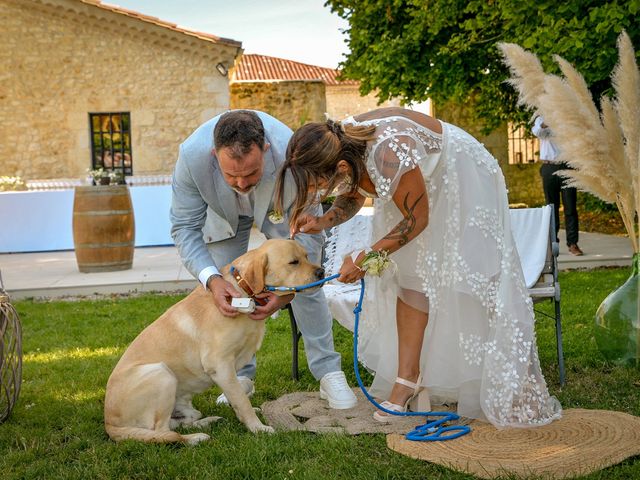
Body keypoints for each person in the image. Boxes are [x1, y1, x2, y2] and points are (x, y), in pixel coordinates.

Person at [274, 107, 562, 427]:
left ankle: (515, 380)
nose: (316, 190)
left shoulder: (387, 152)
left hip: (462, 175)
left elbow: (416, 219)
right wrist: (323, 220)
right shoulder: (342, 144)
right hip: (415, 187)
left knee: (475, 277)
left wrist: (367, 257)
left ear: (339, 165)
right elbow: (356, 190)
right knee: (408, 275)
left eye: (317, 183)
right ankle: (408, 383)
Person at [170, 110, 357, 410]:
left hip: (282, 211)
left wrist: (284, 295)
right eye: (232, 174)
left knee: (304, 278)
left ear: (267, 150)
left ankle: (328, 371)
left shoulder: (293, 152)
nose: (242, 184)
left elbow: (308, 240)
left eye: (251, 173)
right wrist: (212, 279)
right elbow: (184, 227)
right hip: (223, 219)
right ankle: (241, 374)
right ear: (213, 153)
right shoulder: (192, 158)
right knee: (229, 291)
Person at [532, 116, 583, 256]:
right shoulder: (541, 118)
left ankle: (573, 244)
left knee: (570, 207)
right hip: (549, 167)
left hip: (567, 166)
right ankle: (552, 243)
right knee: (551, 207)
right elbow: (538, 133)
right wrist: (545, 123)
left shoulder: (566, 113)